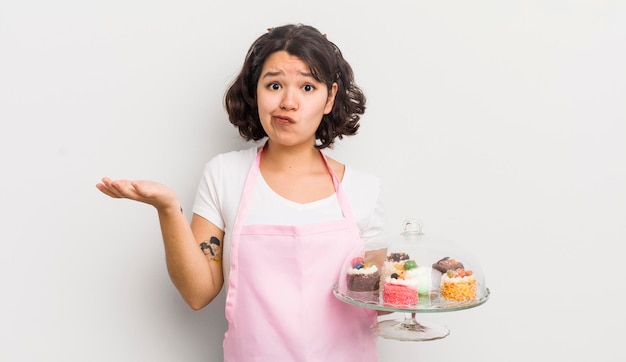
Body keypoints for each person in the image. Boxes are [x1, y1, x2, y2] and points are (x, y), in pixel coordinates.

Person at [96, 23, 385, 361]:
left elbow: (380, 303)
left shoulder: (363, 189)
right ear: (255, 91)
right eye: (274, 85)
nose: (288, 102)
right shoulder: (224, 175)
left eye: (307, 87)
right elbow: (197, 293)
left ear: (330, 97)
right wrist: (167, 209)